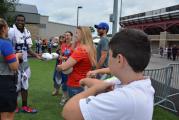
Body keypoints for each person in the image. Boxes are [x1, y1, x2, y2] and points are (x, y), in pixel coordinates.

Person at [62, 28, 155, 120]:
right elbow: (102, 84)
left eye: (109, 55)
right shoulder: (132, 82)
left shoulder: (124, 99)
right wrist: (84, 80)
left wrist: (93, 90)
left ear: (119, 59)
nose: (108, 59)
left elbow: (68, 112)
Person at [8, 14, 41, 113]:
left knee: (25, 85)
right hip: (15, 62)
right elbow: (7, 47)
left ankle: (25, 107)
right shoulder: (11, 32)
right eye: (18, 20)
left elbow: (27, 48)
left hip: (25, 63)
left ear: (24, 22)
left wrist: (36, 55)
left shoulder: (26, 32)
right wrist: (14, 56)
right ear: (15, 21)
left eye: (22, 21)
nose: (20, 22)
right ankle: (14, 106)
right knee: (16, 86)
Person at [57, 26, 96, 98]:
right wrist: (75, 42)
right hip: (85, 82)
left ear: (83, 35)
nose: (75, 35)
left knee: (73, 107)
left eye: (77, 33)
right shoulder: (90, 47)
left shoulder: (81, 50)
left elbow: (64, 66)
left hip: (76, 83)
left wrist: (58, 67)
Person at [0, 18, 21, 120]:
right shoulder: (5, 43)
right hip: (5, 82)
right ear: (3, 28)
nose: (8, 29)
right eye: (7, 27)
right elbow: (14, 67)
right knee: (7, 114)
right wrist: (17, 56)